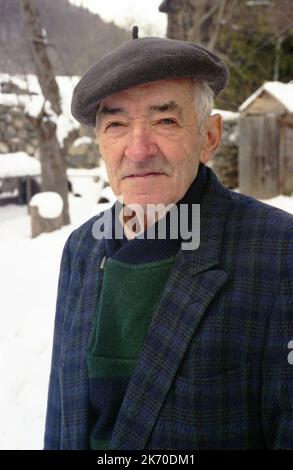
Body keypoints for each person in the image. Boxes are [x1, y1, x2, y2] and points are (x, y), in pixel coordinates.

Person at [44, 27, 293, 450]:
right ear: (101, 143)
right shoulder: (82, 250)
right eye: (117, 124)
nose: (138, 150)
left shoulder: (279, 252)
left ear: (208, 138)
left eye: (166, 120)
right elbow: (62, 416)